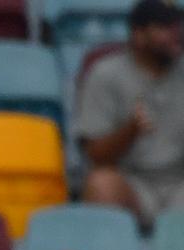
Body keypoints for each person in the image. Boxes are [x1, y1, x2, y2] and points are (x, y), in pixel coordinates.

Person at [78, 0, 184, 225]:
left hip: (179, 183)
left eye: (179, 25)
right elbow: (95, 155)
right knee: (101, 184)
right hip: (132, 184)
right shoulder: (106, 74)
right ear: (138, 34)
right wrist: (131, 130)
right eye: (165, 27)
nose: (177, 33)